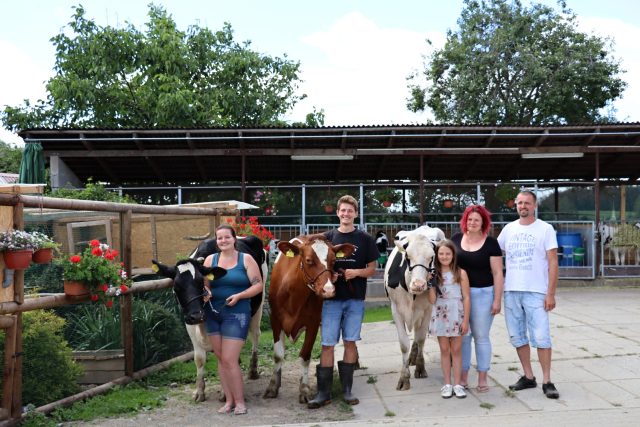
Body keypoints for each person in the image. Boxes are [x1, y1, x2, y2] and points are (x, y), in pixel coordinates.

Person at [308, 195, 378, 409]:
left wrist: (356, 272)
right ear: (337, 213)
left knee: (349, 342)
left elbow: (372, 269)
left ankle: (347, 390)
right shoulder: (327, 238)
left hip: (355, 299)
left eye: (350, 211)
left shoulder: (365, 239)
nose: (346, 214)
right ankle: (324, 393)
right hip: (331, 300)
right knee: (327, 344)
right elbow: (316, 265)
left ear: (356, 214)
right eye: (343, 210)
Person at [497, 190, 560, 399]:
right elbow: (495, 255)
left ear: (534, 205)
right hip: (512, 290)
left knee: (541, 337)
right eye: (519, 203)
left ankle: (547, 380)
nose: (522, 206)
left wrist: (550, 293)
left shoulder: (545, 229)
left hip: (536, 291)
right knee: (517, 336)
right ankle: (528, 376)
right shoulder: (508, 229)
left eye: (527, 203)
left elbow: (553, 262)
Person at [203, 224, 264, 415]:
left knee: (230, 359)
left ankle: (240, 402)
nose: (223, 241)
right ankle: (228, 401)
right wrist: (206, 292)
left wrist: (240, 296)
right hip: (213, 313)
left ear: (234, 239)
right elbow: (204, 285)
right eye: (219, 238)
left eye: (227, 237)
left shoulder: (245, 259)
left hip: (237, 313)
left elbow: (258, 285)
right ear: (216, 241)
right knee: (221, 359)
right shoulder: (209, 260)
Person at [451, 205, 504, 393]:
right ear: (465, 220)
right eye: (469, 219)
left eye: (477, 220)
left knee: (481, 337)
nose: (472, 223)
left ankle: (483, 376)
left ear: (483, 223)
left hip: (483, 294)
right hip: (459, 296)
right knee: (463, 337)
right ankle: (463, 375)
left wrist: (497, 300)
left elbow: (498, 273)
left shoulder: (491, 243)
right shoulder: (456, 239)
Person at [428, 239, 471, 399]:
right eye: (441, 254)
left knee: (456, 350)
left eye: (448, 253)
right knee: (445, 350)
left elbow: (466, 297)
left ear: (453, 255)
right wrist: (430, 283)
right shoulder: (433, 274)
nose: (444, 256)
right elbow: (432, 300)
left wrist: (465, 320)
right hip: (440, 315)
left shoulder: (460, 273)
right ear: (436, 256)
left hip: (456, 315)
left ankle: (458, 384)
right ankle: (447, 384)